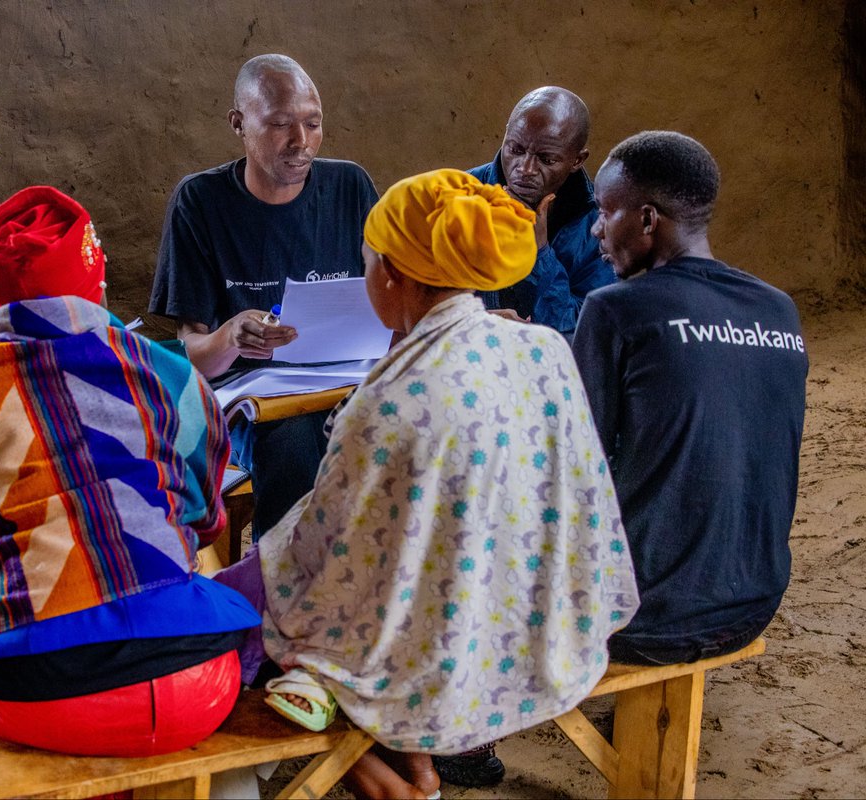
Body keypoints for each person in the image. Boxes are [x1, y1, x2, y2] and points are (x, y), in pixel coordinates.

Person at [216, 170, 639, 799]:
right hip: (532, 611)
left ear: (391, 275)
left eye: (367, 263)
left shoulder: (391, 399)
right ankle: (414, 774)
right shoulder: (544, 349)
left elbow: (324, 558)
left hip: (431, 645)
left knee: (225, 620)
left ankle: (380, 779)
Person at [0, 186, 260, 756]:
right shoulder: (168, 373)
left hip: (34, 700)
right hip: (197, 687)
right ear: (97, 280)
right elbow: (205, 518)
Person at [572, 131, 807, 665]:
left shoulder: (614, 309)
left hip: (641, 620)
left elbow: (576, 468)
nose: (596, 229)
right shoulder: (778, 309)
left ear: (647, 220)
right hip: (753, 604)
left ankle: (477, 727)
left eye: (605, 212)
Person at [148, 53, 379, 539]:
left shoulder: (350, 187)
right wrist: (231, 337)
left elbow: (390, 303)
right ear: (238, 123)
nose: (301, 142)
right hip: (256, 405)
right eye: (279, 124)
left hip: (346, 387)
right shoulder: (200, 203)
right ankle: (283, 575)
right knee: (293, 445)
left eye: (312, 124)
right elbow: (192, 356)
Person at [468, 86, 614, 337]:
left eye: (546, 160)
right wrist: (478, 323)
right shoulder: (460, 195)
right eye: (515, 150)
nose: (525, 169)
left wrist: (540, 252)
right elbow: (416, 309)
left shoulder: (599, 224)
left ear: (577, 160)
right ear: (506, 135)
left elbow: (589, 330)